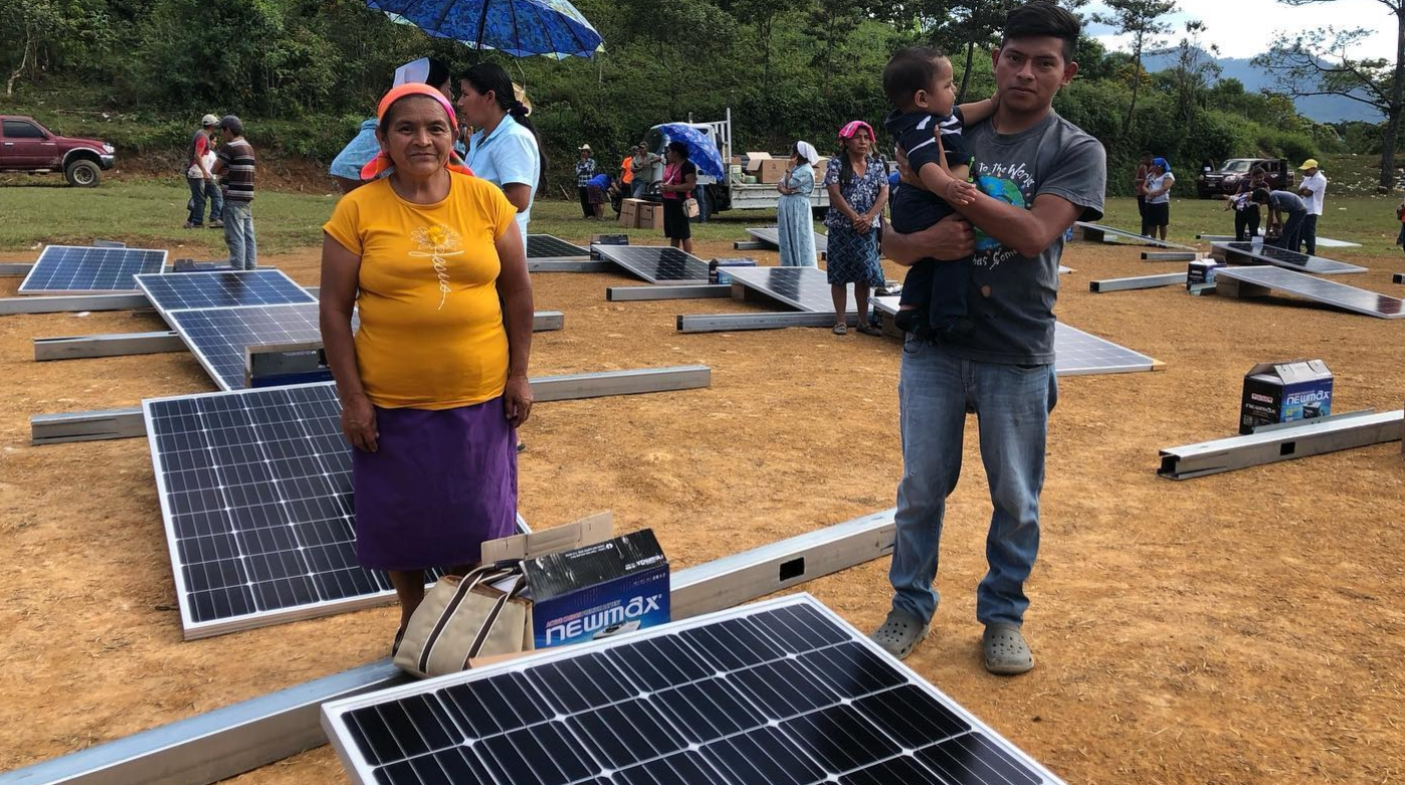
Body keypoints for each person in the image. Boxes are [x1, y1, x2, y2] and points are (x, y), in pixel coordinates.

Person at [872, 0, 1106, 675]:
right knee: (920, 487)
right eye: (1013, 57)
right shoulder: (942, 132)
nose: (1024, 73)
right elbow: (890, 243)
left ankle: (1002, 615)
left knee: (1015, 498)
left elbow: (1034, 234)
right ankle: (908, 606)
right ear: (996, 59)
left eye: (1043, 63)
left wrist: (954, 193)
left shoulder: (1074, 150)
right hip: (934, 345)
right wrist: (925, 238)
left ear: (1067, 73)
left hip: (1016, 349)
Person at [319, 82, 534, 653]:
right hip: (392, 403)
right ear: (384, 139)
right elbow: (335, 311)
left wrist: (519, 374)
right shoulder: (357, 210)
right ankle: (415, 621)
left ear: (454, 135)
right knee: (403, 523)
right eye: (406, 129)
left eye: (435, 127)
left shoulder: (487, 200)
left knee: (478, 520)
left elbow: (517, 293)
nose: (422, 139)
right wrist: (353, 400)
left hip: (481, 398)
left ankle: (464, 622)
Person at [882, 46, 999, 341]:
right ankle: (948, 317)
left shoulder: (940, 115)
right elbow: (924, 167)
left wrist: (995, 101)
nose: (955, 90)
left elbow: (966, 113)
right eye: (947, 85)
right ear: (922, 98)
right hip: (922, 201)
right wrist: (949, 187)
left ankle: (909, 307)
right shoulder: (920, 128)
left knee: (931, 255)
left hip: (919, 201)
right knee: (954, 250)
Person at [330, 58, 455, 195]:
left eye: (435, 129)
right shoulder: (386, 127)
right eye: (448, 88)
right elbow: (342, 167)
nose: (423, 141)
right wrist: (372, 199)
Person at [459, 63, 542, 249]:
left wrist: (463, 200)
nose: (459, 102)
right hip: (481, 239)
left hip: (501, 246)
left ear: (489, 97)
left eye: (465, 94)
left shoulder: (512, 138)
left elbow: (519, 199)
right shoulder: (480, 138)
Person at [823, 121, 889, 336]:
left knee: (864, 273)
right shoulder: (836, 165)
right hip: (842, 227)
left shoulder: (877, 165)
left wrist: (869, 218)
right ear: (846, 141)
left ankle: (863, 321)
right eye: (857, 137)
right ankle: (841, 321)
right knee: (839, 273)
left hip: (867, 229)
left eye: (866, 137)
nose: (863, 142)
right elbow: (834, 194)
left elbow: (884, 193)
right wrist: (854, 218)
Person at [211, 116, 256, 270]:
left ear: (228, 130)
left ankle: (238, 272)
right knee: (248, 236)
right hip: (246, 196)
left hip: (233, 197)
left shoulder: (230, 147)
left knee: (235, 237)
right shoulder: (248, 146)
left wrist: (224, 172)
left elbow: (214, 169)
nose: (222, 135)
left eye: (223, 131)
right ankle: (250, 269)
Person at [776, 142, 820, 267]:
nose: (790, 154)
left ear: (797, 154)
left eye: (792, 152)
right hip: (788, 207)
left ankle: (804, 266)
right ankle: (789, 264)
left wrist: (788, 171)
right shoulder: (796, 168)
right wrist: (783, 189)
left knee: (800, 236)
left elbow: (789, 183)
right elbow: (780, 184)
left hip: (798, 207)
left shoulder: (805, 170)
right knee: (788, 237)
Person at [184, 114, 223, 229]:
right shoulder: (202, 137)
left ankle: (214, 218)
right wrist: (204, 171)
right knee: (200, 199)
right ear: (211, 126)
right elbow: (197, 155)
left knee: (215, 194)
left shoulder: (203, 135)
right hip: (196, 172)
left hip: (201, 172)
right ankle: (197, 223)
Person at [659, 141, 697, 254]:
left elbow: (691, 185)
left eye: (669, 151)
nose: (668, 154)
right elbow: (665, 180)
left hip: (680, 202)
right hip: (668, 201)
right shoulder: (670, 165)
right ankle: (674, 256)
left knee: (684, 233)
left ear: (676, 153)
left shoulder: (688, 166)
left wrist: (673, 188)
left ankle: (688, 256)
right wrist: (662, 185)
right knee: (673, 233)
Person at [1252, 187, 1307, 251]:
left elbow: (1278, 213)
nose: (1261, 204)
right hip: (1295, 211)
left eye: (1260, 202)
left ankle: (1282, 249)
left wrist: (1280, 227)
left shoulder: (1273, 196)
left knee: (1285, 232)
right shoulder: (1270, 201)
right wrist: (1267, 234)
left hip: (1299, 210)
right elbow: (1270, 218)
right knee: (1293, 233)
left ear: (1264, 198)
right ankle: (1293, 250)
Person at [1225, 166, 1267, 241]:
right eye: (1257, 177)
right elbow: (1237, 194)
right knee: (1239, 232)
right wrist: (1235, 200)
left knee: (1254, 233)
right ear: (1252, 176)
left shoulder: (1264, 186)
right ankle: (1238, 249)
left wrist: (1255, 199)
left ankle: (1254, 251)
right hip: (1241, 210)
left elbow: (1266, 199)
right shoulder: (1245, 182)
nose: (1259, 179)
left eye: (1261, 177)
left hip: (1253, 211)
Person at [1297, 159, 1327, 255]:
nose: (1305, 172)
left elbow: (1307, 193)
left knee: (1309, 232)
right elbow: (1299, 191)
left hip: (1312, 209)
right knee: (1299, 231)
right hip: (1303, 207)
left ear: (1314, 169)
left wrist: (1303, 190)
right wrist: (1303, 189)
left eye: (1307, 170)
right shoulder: (1307, 178)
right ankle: (1296, 249)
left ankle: (1311, 251)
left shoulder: (1320, 179)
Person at [1142, 157, 1173, 241]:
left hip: (1161, 201)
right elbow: (1144, 186)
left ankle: (1163, 240)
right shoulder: (1150, 175)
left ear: (1161, 167)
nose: (1153, 168)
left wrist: (1155, 194)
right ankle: (1153, 240)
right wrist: (1149, 192)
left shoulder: (1167, 175)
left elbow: (1166, 187)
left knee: (1162, 223)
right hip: (1150, 202)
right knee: (1152, 223)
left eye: (1155, 166)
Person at [575, 145, 597, 219]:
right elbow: (577, 173)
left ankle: (592, 214)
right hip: (581, 183)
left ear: (588, 153)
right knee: (583, 199)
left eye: (585, 152)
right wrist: (583, 168)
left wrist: (584, 164)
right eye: (582, 152)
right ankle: (586, 213)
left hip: (589, 183)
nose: (583, 153)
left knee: (590, 199)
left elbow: (590, 171)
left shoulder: (592, 161)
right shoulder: (578, 162)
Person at [1134, 151, 1152, 236]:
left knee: (1147, 214)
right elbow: (1137, 180)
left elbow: (1146, 178)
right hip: (1141, 193)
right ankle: (1144, 233)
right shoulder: (1142, 167)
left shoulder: (1152, 168)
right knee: (1144, 214)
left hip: (1148, 193)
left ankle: (1146, 233)